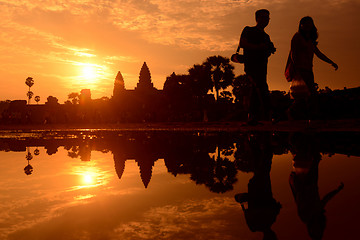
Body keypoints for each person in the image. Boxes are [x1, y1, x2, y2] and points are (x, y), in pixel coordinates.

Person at [286, 16, 338, 120]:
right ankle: (306, 114)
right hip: (300, 69)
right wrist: (296, 69)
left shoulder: (310, 40)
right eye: (305, 23)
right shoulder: (297, 37)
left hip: (309, 69)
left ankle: (295, 114)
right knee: (308, 94)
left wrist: (331, 62)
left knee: (306, 95)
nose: (307, 25)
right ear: (301, 25)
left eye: (310, 23)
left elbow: (318, 53)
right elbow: (293, 54)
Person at [237, 9, 276, 125]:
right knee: (261, 88)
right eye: (263, 17)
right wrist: (259, 47)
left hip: (262, 66)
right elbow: (242, 44)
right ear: (257, 18)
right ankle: (270, 114)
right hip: (251, 65)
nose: (265, 20)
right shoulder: (248, 30)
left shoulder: (266, 36)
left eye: (267, 18)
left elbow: (267, 53)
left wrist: (269, 49)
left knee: (256, 90)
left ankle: (253, 117)